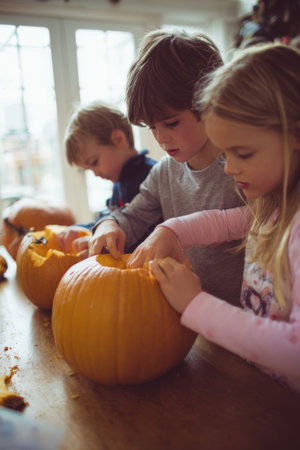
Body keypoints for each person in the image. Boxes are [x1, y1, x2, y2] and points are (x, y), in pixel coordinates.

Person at [148, 43, 300, 392]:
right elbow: (226, 221)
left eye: (242, 153)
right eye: (225, 152)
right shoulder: (273, 207)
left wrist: (196, 305)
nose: (229, 167)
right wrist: (171, 230)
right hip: (267, 391)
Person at [89, 29, 245, 306]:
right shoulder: (163, 173)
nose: (161, 138)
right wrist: (108, 224)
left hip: (240, 318)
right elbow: (134, 216)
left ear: (211, 102)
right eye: (152, 127)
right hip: (183, 316)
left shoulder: (243, 165)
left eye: (171, 123)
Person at [57, 101, 156, 252]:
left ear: (118, 140)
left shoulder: (152, 175)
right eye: (89, 169)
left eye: (94, 162)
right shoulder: (119, 183)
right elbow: (112, 222)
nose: (96, 174)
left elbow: (139, 232)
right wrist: (81, 229)